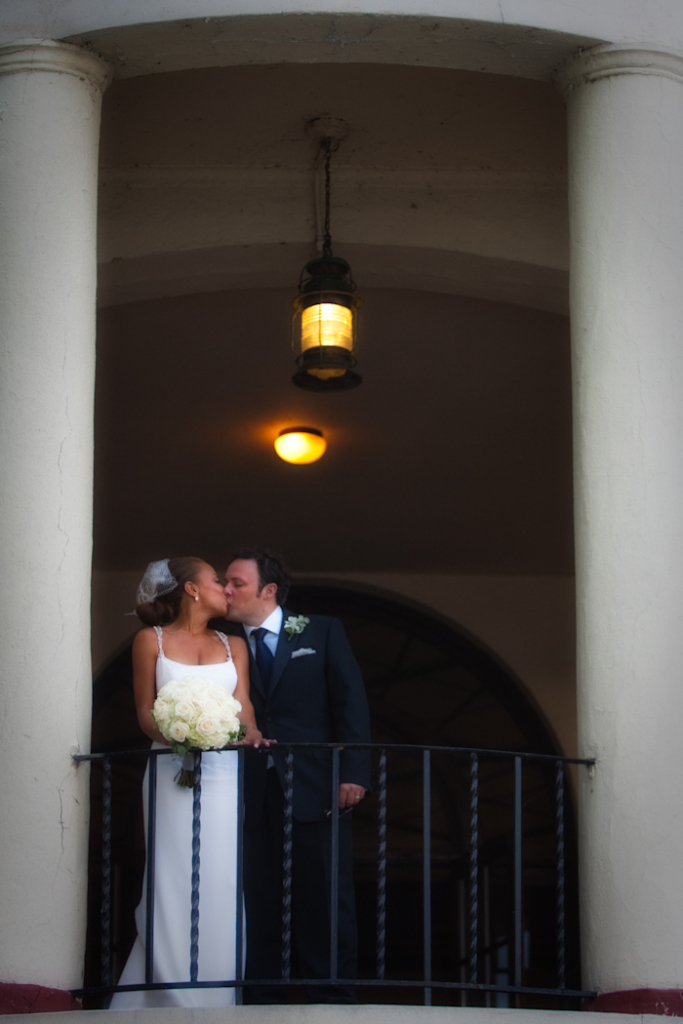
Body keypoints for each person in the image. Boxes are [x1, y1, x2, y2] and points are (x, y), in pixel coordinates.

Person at [110, 556, 265, 1009]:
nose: (226, 589)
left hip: (222, 774)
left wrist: (250, 732)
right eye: (217, 580)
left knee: (220, 877)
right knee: (172, 875)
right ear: (192, 590)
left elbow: (244, 707)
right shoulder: (150, 640)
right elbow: (145, 713)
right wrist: (185, 736)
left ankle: (214, 995)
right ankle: (169, 990)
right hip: (170, 768)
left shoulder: (234, 644)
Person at [223, 548, 371, 1004]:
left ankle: (332, 997)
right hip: (247, 788)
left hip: (316, 785)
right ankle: (260, 998)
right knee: (256, 894)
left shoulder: (321, 631)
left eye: (236, 583)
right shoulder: (224, 644)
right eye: (225, 582)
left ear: (268, 591)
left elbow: (349, 702)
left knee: (323, 893)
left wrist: (353, 772)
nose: (226, 590)